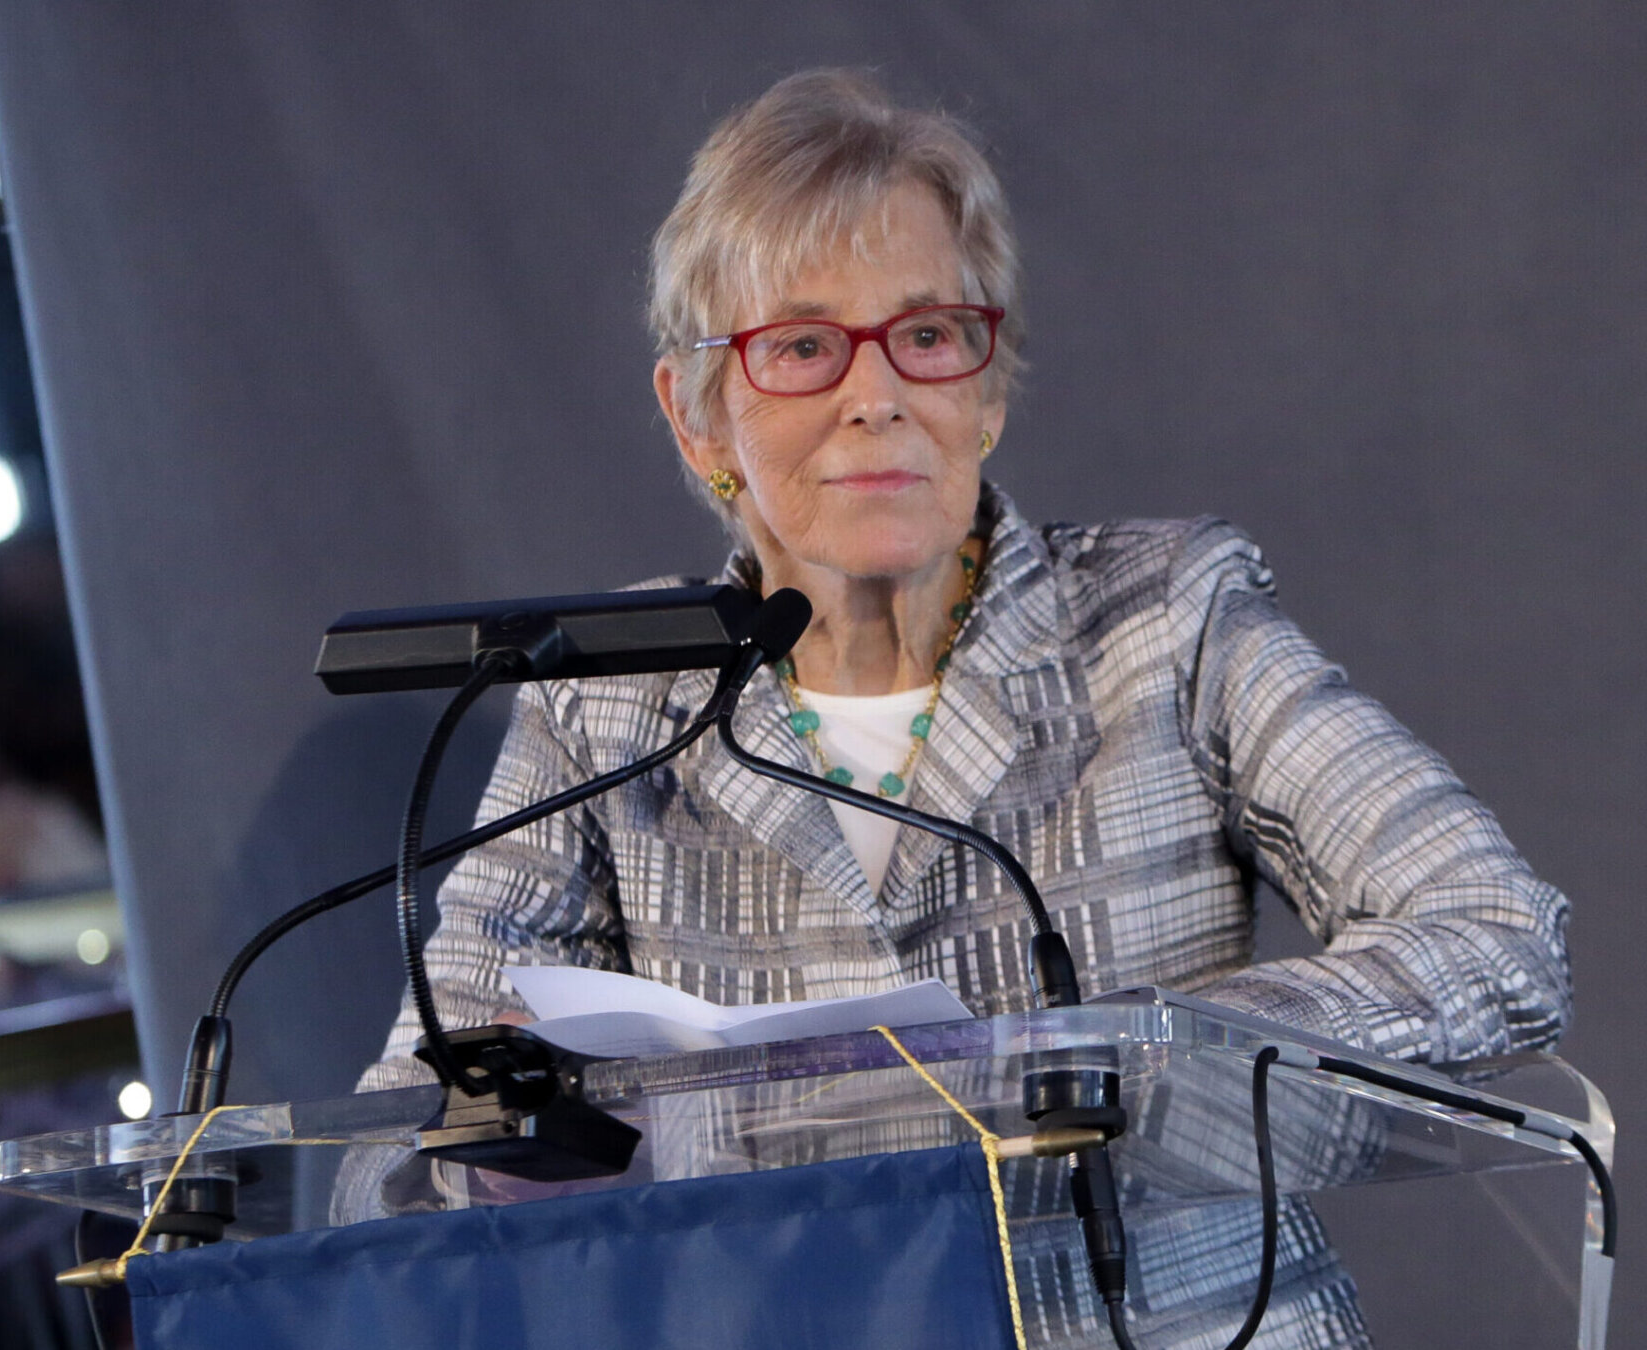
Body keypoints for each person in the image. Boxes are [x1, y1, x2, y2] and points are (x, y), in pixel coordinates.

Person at [350, 70, 1569, 1348]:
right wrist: (521, 1141)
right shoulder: (608, 698)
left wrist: (1164, 1055)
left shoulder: (1166, 620)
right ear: (700, 415)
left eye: (927, 335)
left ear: (986, 390)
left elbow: (1497, 933)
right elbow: (395, 1135)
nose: (876, 394)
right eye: (803, 346)